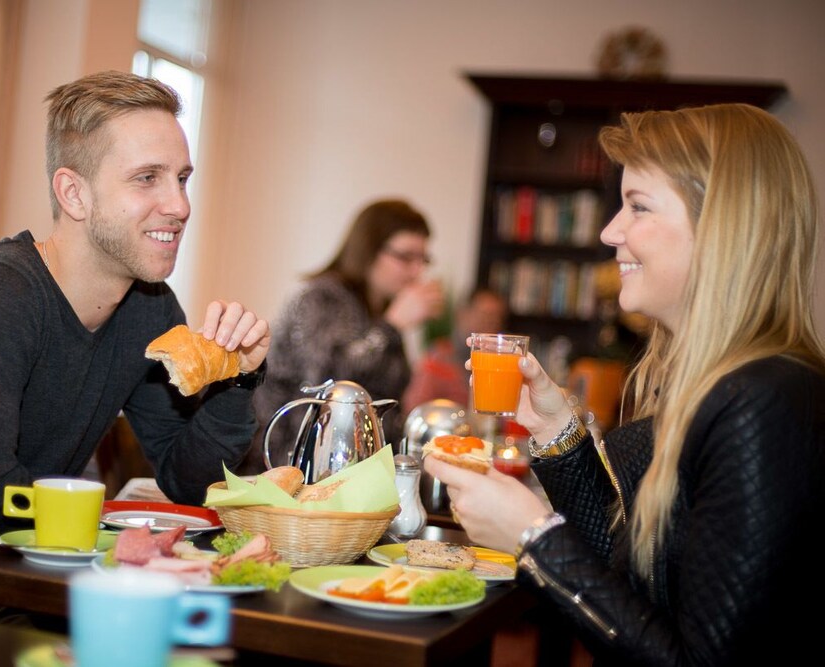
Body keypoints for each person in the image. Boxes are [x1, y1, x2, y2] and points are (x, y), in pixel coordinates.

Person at [425, 103, 825, 665]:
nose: (610, 231)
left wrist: (533, 536)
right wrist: (553, 427)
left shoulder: (761, 402)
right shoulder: (721, 381)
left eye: (637, 206)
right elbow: (627, 568)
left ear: (722, 227)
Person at [0, 71, 270, 541]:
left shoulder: (149, 308)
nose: (180, 205)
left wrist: (238, 378)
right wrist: (106, 516)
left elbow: (188, 482)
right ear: (74, 194)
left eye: (182, 178)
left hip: (28, 569)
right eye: (147, 178)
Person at [249, 199, 444, 472]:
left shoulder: (379, 309)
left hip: (348, 465)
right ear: (369, 250)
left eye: (422, 259)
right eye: (405, 257)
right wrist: (392, 326)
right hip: (288, 462)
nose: (417, 271)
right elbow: (329, 380)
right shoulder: (320, 297)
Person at [401, 286, 508, 414]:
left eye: (497, 317)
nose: (490, 322)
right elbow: (414, 408)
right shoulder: (439, 357)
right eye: (485, 315)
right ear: (462, 314)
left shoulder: (500, 365)